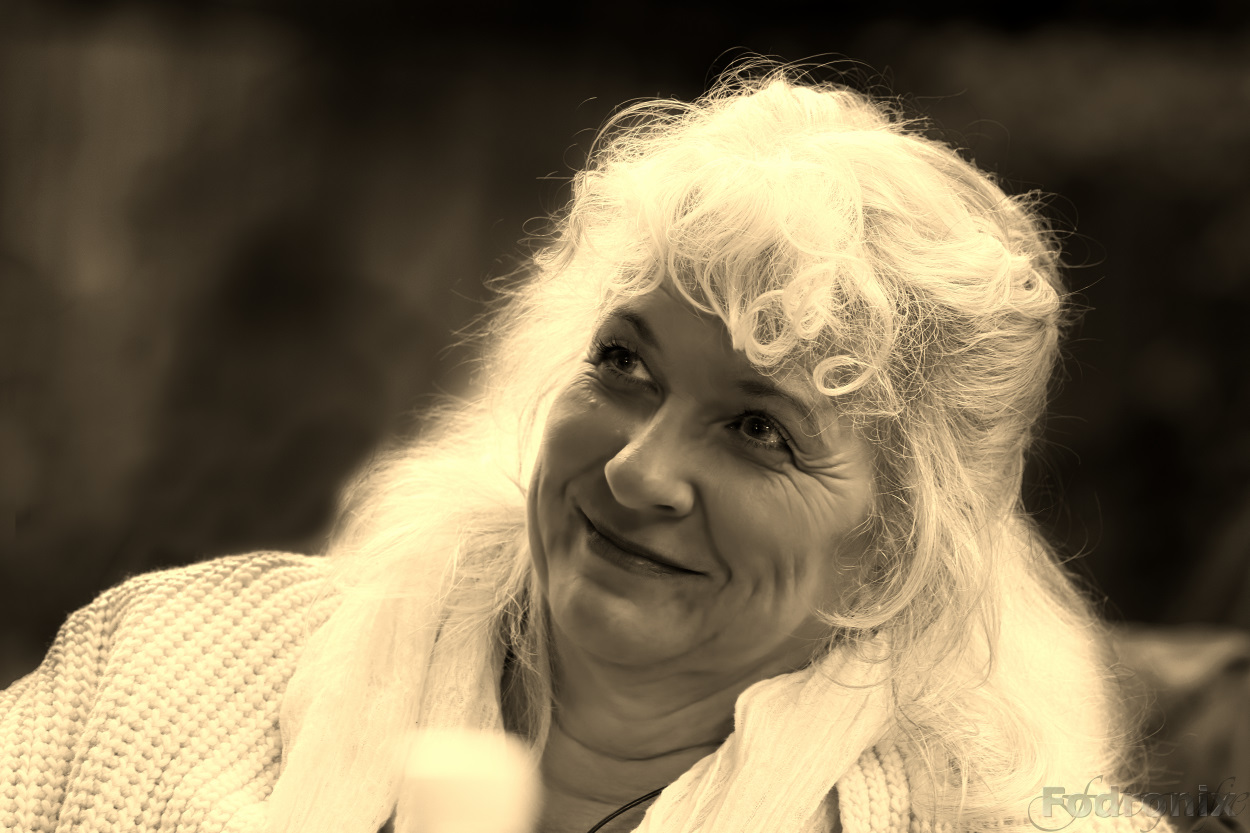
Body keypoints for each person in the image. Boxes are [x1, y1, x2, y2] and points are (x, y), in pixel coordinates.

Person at [1, 67, 1165, 833]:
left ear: (888, 551)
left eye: (757, 428)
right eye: (623, 365)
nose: (636, 470)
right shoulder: (160, 668)